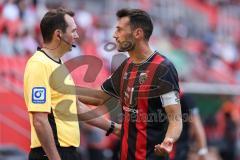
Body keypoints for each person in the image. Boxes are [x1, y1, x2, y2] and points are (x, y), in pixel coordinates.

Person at [78, 8, 183, 160]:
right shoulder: (126, 66)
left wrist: (169, 140)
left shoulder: (163, 68)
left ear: (138, 33)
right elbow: (99, 97)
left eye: (120, 30)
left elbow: (175, 118)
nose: (115, 35)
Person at [24, 8, 120, 160]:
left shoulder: (59, 64)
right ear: (58, 34)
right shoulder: (39, 64)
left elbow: (75, 106)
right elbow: (40, 120)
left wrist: (113, 128)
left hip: (67, 151)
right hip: (52, 153)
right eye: (73, 31)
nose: (77, 35)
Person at [175, 93, 208, 160]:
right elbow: (196, 124)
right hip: (176, 147)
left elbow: (196, 123)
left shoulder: (184, 98)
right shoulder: (183, 97)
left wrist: (202, 150)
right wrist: (202, 151)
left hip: (178, 147)